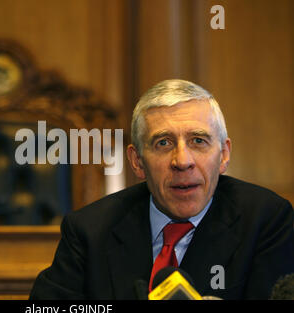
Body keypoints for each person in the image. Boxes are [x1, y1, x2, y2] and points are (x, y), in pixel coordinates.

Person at [29, 79, 294, 299]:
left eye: (198, 141)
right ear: (137, 162)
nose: (182, 161)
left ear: (224, 154)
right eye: (163, 143)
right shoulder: (89, 229)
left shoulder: (266, 220)